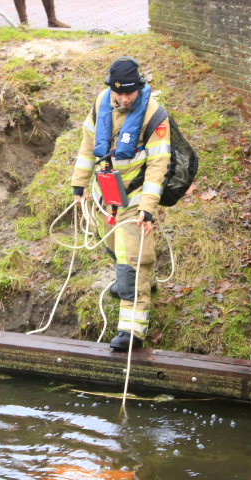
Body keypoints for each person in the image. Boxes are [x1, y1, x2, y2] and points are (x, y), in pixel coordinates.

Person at [70, 57, 171, 351]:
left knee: (131, 261)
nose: (125, 99)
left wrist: (148, 207)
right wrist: (79, 184)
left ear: (138, 87)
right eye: (119, 94)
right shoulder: (101, 103)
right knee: (113, 246)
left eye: (130, 93)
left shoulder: (154, 115)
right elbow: (88, 146)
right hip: (108, 192)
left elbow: (158, 164)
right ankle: (144, 284)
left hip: (137, 194)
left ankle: (132, 331)